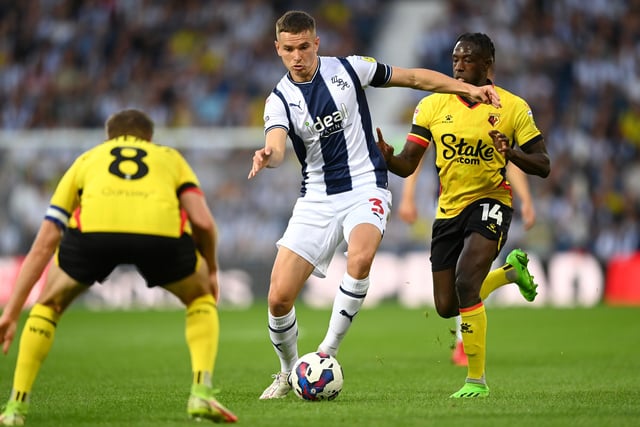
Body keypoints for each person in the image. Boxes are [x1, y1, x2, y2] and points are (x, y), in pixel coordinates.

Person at [247, 10, 501, 400]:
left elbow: (414, 78)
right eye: (288, 50)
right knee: (278, 297)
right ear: (277, 50)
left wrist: (463, 88)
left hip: (367, 185)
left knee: (360, 259)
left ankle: (326, 354)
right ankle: (287, 372)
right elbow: (278, 146)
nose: (297, 56)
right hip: (316, 198)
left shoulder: (350, 70)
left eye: (303, 47)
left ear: (316, 43)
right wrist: (269, 155)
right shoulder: (279, 100)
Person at [0, 109, 237, 424]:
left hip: (94, 235)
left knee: (48, 305)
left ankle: (16, 408)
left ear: (109, 137)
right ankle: (201, 394)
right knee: (199, 298)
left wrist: (12, 313)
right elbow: (204, 222)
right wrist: (210, 271)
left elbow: (45, 242)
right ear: (149, 139)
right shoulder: (169, 157)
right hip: (159, 236)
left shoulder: (88, 159)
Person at [376, 32, 550, 398]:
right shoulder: (432, 105)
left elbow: (544, 164)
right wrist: (387, 157)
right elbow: (409, 165)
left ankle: (476, 380)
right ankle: (509, 274)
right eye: (455, 58)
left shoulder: (513, 107)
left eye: (467, 59)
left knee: (467, 282)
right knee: (447, 306)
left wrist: (512, 154)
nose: (458, 65)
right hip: (448, 210)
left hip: (491, 201)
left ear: (488, 65)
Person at [397, 158, 537, 367]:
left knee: (468, 277)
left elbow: (509, 159)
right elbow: (417, 153)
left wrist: (526, 198)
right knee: (448, 300)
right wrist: (408, 196)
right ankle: (508, 273)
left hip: (488, 202)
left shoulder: (493, 124)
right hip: (448, 204)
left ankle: (465, 344)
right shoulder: (437, 123)